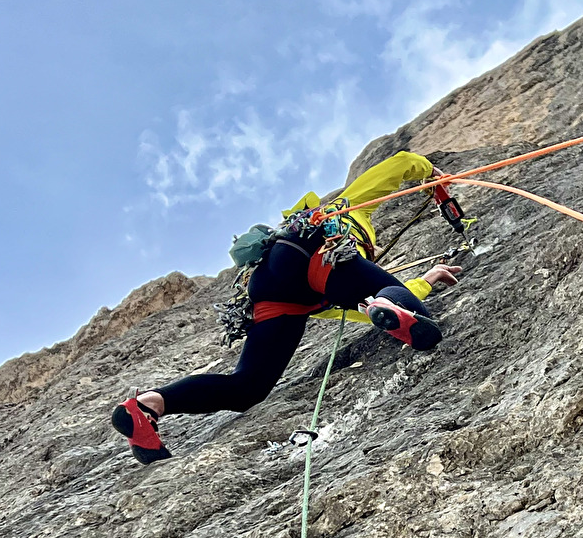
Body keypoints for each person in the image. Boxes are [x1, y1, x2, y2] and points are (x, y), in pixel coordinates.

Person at [111, 150, 462, 463]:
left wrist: (387, 302)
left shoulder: (320, 278)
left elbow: (367, 312)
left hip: (272, 289)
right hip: (316, 250)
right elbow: (400, 163)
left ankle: (148, 405)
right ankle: (394, 303)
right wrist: (430, 173)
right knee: (398, 301)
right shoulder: (347, 207)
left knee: (248, 387)